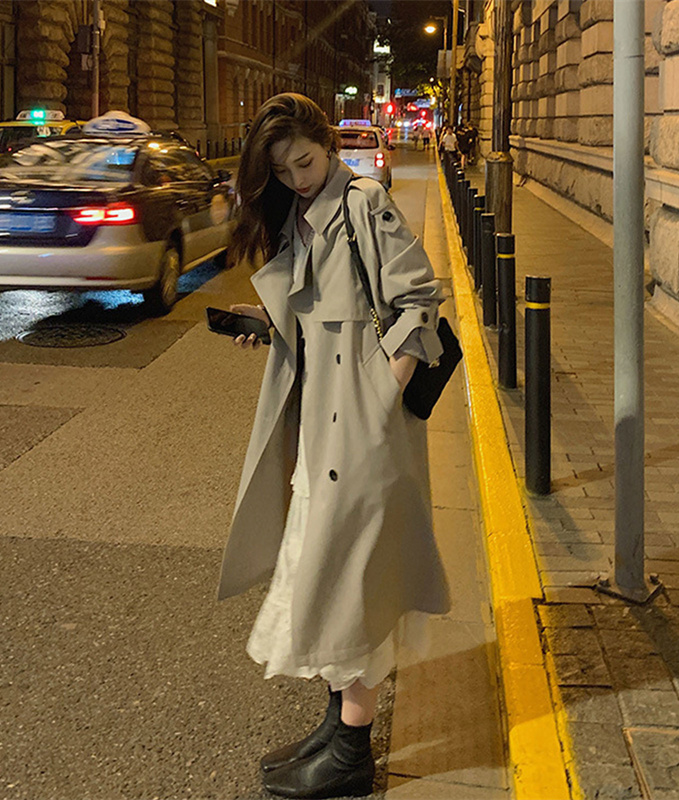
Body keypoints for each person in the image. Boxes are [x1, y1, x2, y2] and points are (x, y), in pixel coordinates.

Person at [218, 92, 450, 799]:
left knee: (350, 583)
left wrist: (382, 395)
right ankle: (335, 727)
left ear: (327, 145)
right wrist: (267, 322)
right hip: (322, 423)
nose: (297, 178)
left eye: (305, 162)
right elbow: (319, 308)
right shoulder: (304, 213)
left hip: (358, 429)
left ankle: (352, 751)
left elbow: (419, 300)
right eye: (282, 170)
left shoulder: (364, 202)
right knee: (326, 574)